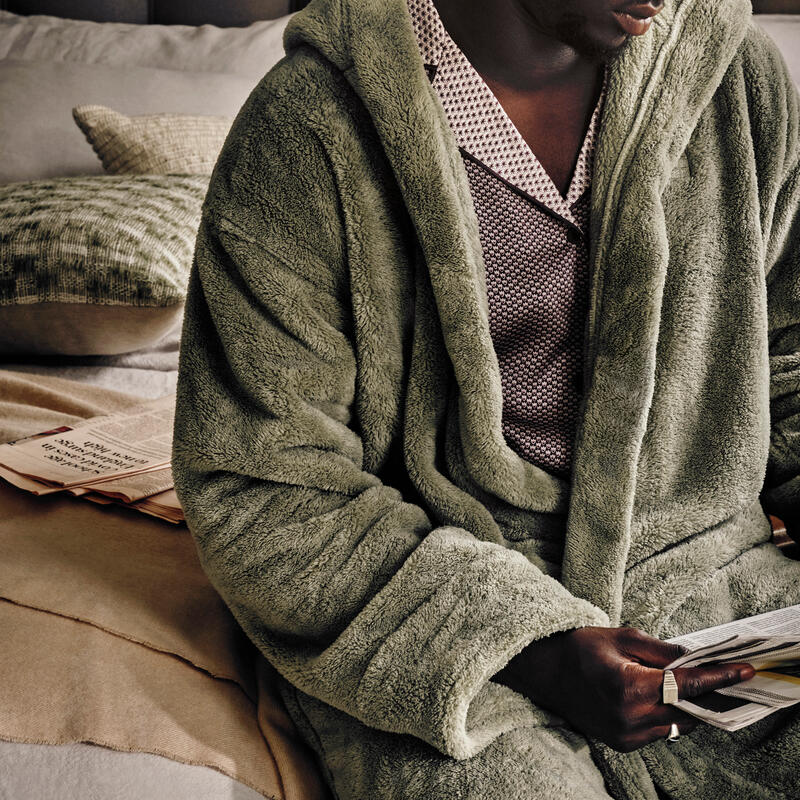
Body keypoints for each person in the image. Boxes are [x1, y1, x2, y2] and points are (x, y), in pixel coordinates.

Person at [171, 0, 800, 796]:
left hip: (717, 603)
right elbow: (265, 484)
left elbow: (788, 361)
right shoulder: (307, 127)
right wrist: (530, 646)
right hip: (442, 626)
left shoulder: (737, 81)